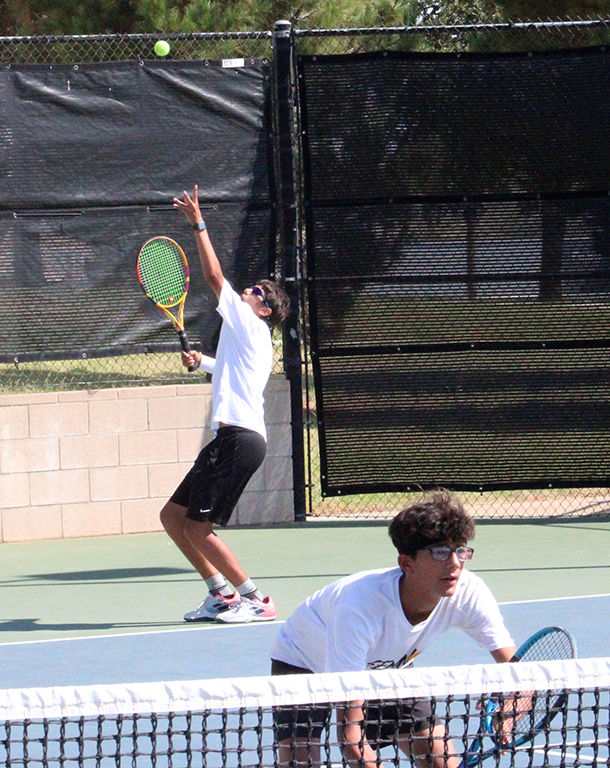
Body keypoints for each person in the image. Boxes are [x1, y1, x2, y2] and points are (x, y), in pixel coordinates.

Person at [270, 490, 517, 768]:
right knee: (300, 761)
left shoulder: (470, 592)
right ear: (406, 563)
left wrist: (512, 705)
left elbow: (519, 669)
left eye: (461, 551)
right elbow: (351, 741)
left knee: (441, 762)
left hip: (390, 669)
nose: (454, 563)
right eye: (440, 552)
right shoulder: (360, 607)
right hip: (304, 661)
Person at [160, 185, 290, 625]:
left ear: (265, 310)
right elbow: (232, 374)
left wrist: (198, 223)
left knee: (199, 528)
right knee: (173, 517)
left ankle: (257, 599)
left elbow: (215, 279)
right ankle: (221, 595)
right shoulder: (250, 341)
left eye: (257, 292)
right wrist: (203, 363)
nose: (249, 291)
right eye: (252, 287)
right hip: (235, 437)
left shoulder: (251, 326)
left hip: (239, 440)